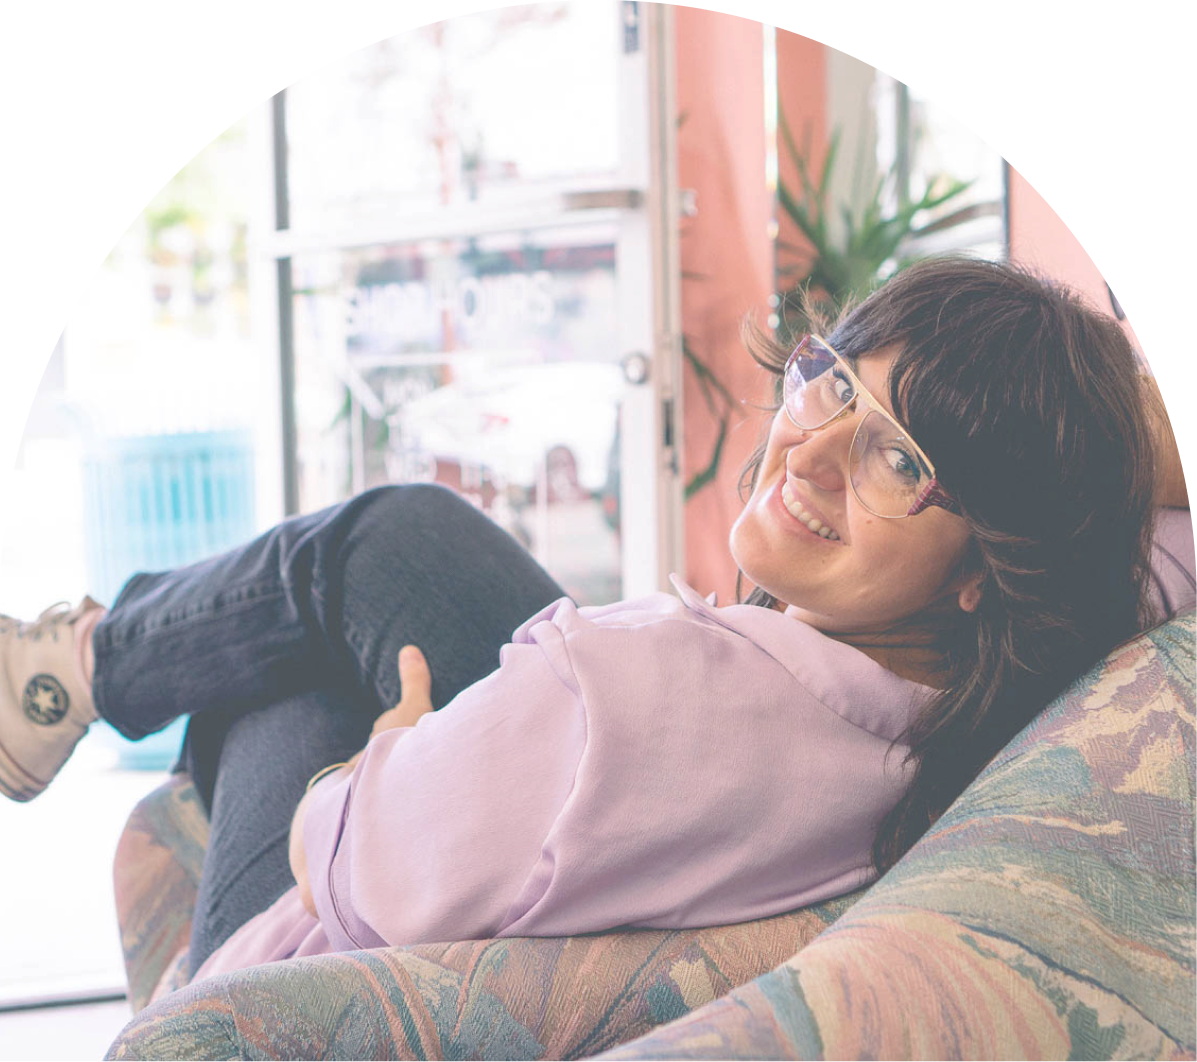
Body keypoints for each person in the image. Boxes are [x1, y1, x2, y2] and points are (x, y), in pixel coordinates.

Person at [2, 256, 1192, 988]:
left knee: (357, 581)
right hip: (596, 819)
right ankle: (91, 663)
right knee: (328, 591)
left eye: (898, 454)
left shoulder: (624, 693)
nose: (812, 450)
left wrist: (379, 764)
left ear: (997, 555)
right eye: (832, 378)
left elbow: (361, 876)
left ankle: (81, 669)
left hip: (287, 973)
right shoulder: (1050, 652)